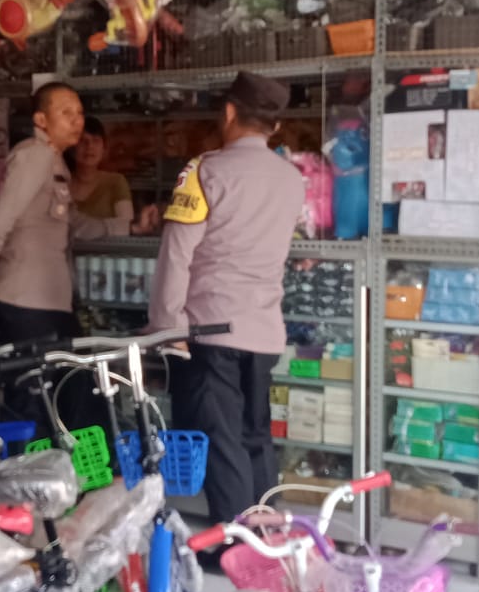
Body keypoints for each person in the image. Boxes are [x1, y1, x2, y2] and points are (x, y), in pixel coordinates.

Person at [148, 71, 305, 524]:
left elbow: (176, 253)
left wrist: (167, 327)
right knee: (255, 435)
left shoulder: (204, 171)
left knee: (222, 441)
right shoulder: (292, 179)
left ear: (230, 113)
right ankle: (267, 535)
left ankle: (234, 544)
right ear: (275, 126)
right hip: (264, 333)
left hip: (212, 333)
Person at [0, 81, 83, 424]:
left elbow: (72, 224)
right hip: (24, 300)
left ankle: (44, 455)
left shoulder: (54, 161)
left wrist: (128, 225)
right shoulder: (34, 156)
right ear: (41, 120)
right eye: (66, 113)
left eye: (79, 112)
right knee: (32, 398)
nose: (77, 120)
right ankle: (23, 457)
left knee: (57, 391)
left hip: (46, 302)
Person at [66, 117, 161, 239]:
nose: (89, 146)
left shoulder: (115, 182)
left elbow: (125, 226)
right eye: (82, 141)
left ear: (104, 149)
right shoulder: (61, 183)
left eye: (96, 141)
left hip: (107, 251)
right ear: (71, 148)